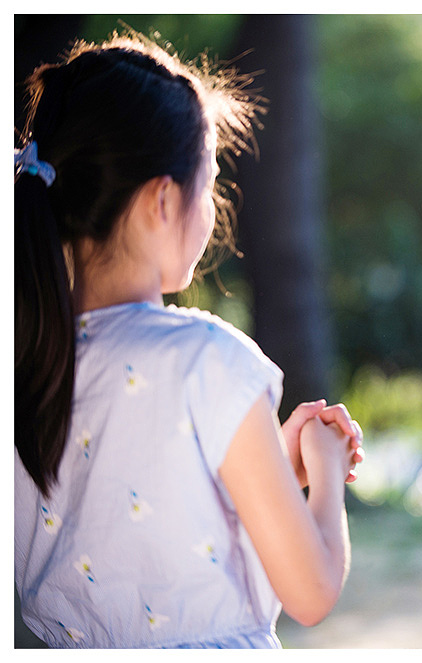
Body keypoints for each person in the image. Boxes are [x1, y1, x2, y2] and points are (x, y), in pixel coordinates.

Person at [14, 33, 363, 649]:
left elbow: (138, 516)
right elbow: (312, 590)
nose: (213, 209)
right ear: (162, 199)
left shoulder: (25, 363)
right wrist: (327, 466)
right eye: (209, 184)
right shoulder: (204, 359)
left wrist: (273, 469)